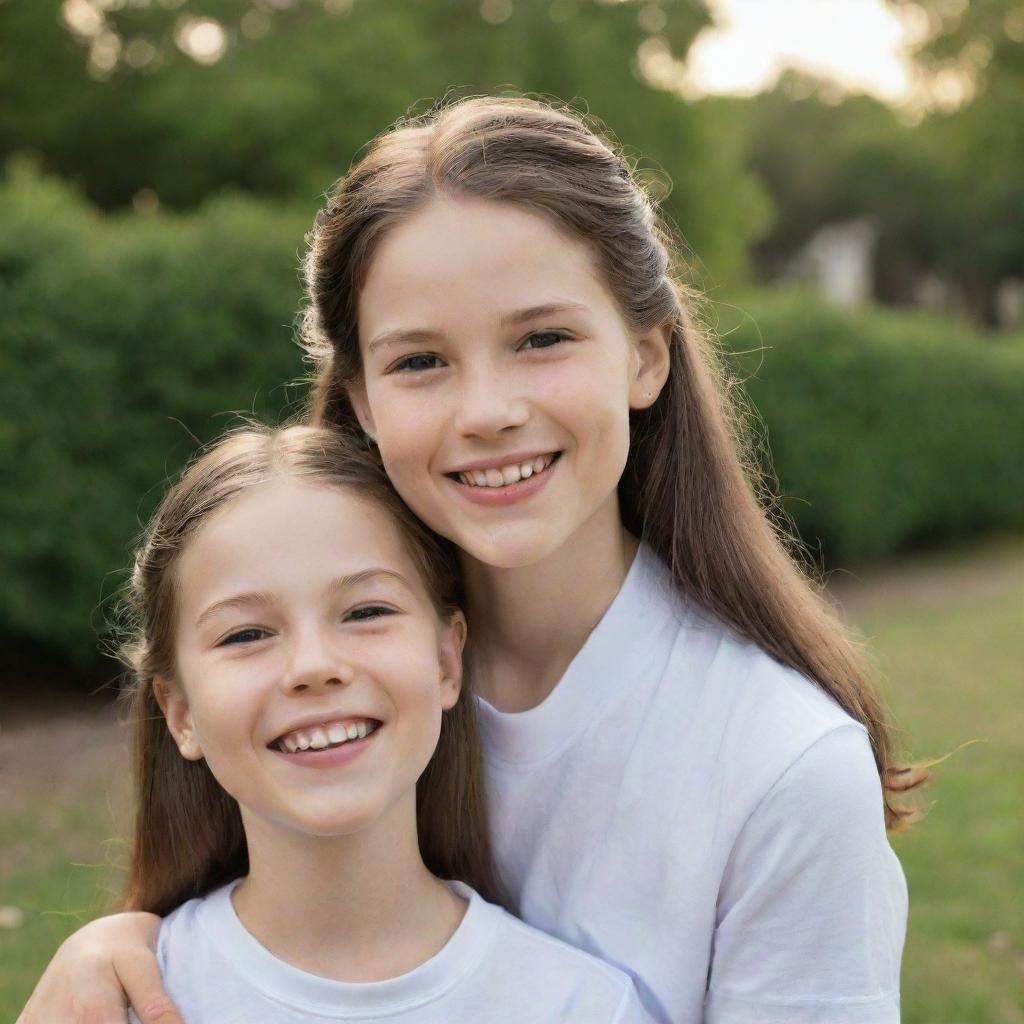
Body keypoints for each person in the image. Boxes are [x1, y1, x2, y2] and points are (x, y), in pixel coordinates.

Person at [21, 95, 927, 1024]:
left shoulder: (781, 769)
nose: (486, 410)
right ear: (363, 399)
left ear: (647, 357)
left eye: (542, 339)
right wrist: (126, 944)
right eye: (420, 361)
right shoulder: (334, 689)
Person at [115, 422, 651, 1023]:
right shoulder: (123, 1001)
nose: (314, 667)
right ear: (179, 713)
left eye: (366, 611)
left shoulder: (580, 1008)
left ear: (447, 661)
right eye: (247, 634)